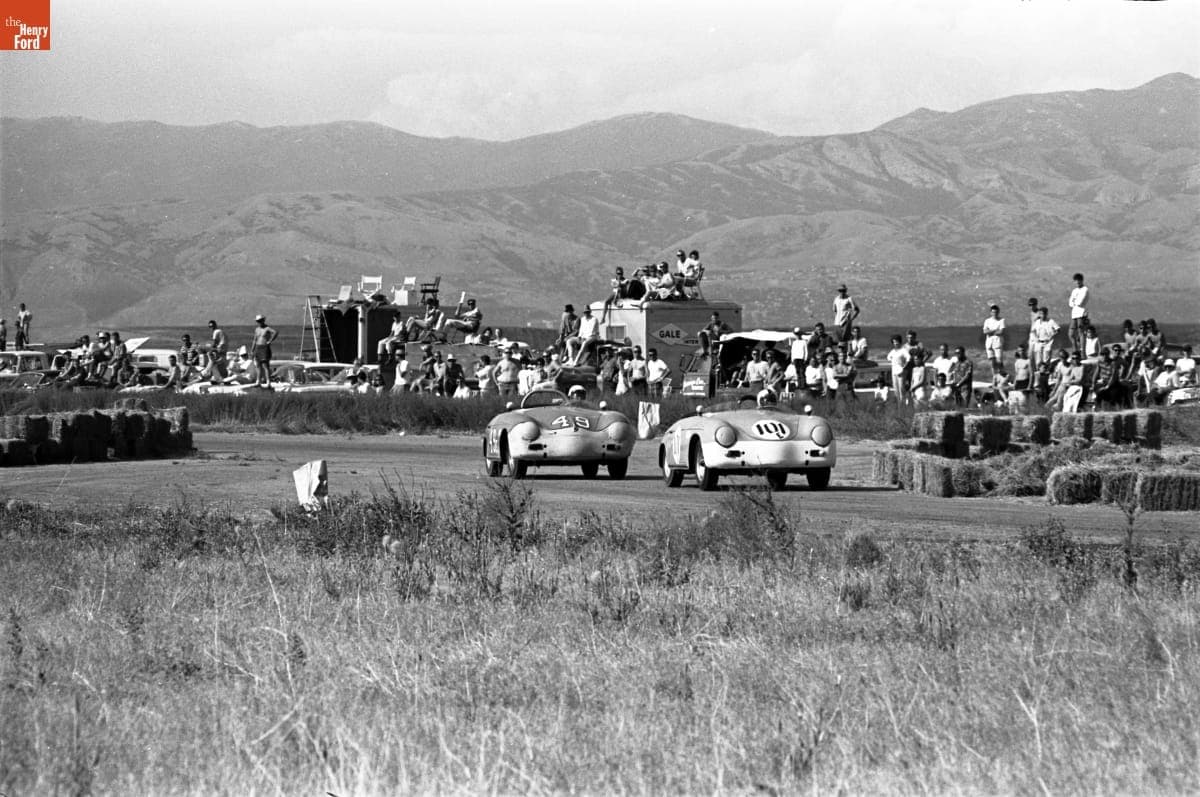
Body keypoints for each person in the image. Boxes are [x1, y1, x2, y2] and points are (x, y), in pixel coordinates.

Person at [251, 314, 278, 388]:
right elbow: (254, 340)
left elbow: (275, 332)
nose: (259, 322)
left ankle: (268, 382)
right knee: (258, 365)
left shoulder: (267, 328)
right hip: (258, 347)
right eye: (258, 321)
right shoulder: (257, 329)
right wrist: (252, 350)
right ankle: (258, 381)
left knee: (265, 365)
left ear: (263, 320)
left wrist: (270, 341)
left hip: (264, 347)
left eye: (260, 321)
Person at [1067, 272, 1089, 353]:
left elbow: (1080, 302)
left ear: (1082, 280)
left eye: (1078, 281)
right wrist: (1074, 302)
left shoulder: (1085, 289)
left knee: (1081, 332)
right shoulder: (1074, 290)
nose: (1077, 282)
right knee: (1071, 334)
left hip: (1081, 313)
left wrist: (1074, 301)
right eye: (1076, 281)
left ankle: (1083, 351)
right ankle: (1075, 349)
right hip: (1074, 314)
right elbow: (1070, 303)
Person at [886, 335, 911, 406]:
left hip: (901, 372)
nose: (896, 344)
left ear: (900, 342)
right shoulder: (893, 351)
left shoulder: (903, 350)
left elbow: (908, 358)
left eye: (897, 342)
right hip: (894, 372)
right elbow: (888, 357)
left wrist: (904, 367)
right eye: (894, 342)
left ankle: (903, 405)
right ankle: (898, 405)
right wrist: (892, 361)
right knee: (896, 389)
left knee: (901, 389)